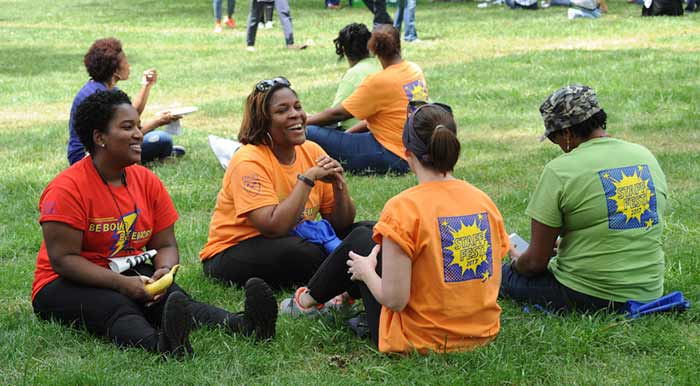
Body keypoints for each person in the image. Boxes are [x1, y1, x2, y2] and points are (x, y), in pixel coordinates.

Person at [33, 90, 278, 358]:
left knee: (173, 299)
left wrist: (164, 270)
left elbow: (165, 243)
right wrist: (121, 284)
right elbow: (64, 260)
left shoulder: (147, 181)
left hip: (127, 270)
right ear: (99, 137)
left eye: (138, 125)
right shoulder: (66, 189)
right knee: (117, 305)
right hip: (62, 282)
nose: (139, 134)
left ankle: (245, 325)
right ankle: (163, 346)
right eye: (127, 127)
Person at [281, 102, 508, 354]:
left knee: (359, 241)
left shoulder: (404, 208)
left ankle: (305, 303)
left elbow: (395, 301)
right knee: (369, 235)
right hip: (482, 331)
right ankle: (330, 299)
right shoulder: (483, 201)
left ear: (406, 151)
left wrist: (365, 271)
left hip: (420, 339)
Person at [501, 85, 668, 312]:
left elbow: (534, 264)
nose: (557, 145)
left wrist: (515, 262)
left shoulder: (560, 170)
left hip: (590, 294)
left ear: (567, 133)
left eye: (553, 137)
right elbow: (622, 227)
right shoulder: (644, 155)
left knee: (498, 275)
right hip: (648, 290)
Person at [199, 77, 356, 289]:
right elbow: (273, 227)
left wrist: (339, 184)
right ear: (264, 121)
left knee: (364, 232)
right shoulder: (248, 160)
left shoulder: (312, 150)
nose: (295, 114)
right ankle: (349, 275)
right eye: (282, 110)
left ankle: (352, 265)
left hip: (292, 238)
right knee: (305, 253)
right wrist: (307, 179)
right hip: (234, 249)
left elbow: (341, 224)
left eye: (297, 107)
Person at [305, 25, 428, 175]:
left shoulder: (379, 81)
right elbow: (378, 120)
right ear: (399, 44)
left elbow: (338, 114)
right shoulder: (414, 70)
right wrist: (347, 135)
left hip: (391, 154)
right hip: (413, 151)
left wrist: (301, 122)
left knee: (308, 131)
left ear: (373, 49)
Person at [67, 38, 184, 166]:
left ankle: (157, 149)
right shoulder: (99, 96)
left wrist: (146, 85)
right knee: (162, 139)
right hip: (87, 157)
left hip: (102, 147)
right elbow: (119, 137)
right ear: (115, 70)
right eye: (126, 62)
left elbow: (132, 113)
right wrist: (157, 122)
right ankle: (158, 150)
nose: (129, 66)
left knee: (156, 137)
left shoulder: (103, 88)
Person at [329, 23, 381, 131]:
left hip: (358, 135)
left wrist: (307, 120)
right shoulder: (380, 65)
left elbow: (334, 115)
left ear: (343, 50)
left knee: (311, 131)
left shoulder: (354, 74)